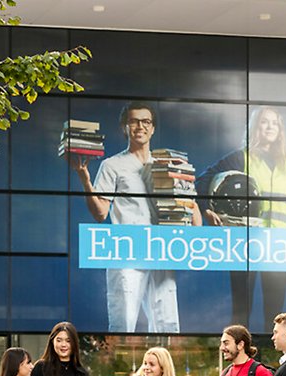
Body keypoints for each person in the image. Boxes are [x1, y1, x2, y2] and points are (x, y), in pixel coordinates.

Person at [71, 102, 202, 333]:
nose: (140, 126)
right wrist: (85, 180)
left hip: (161, 250)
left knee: (168, 323)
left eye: (146, 122)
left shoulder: (167, 165)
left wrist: (188, 192)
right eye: (133, 121)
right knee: (123, 322)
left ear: (152, 129)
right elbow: (101, 213)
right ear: (125, 127)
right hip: (127, 251)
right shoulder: (112, 165)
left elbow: (194, 219)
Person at [196, 106, 286, 325]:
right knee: (241, 313)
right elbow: (203, 180)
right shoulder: (242, 158)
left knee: (276, 316)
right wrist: (207, 209)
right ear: (255, 127)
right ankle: (241, 359)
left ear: (280, 130)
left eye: (274, 123)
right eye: (264, 122)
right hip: (246, 245)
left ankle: (270, 359)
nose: (270, 127)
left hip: (277, 248)